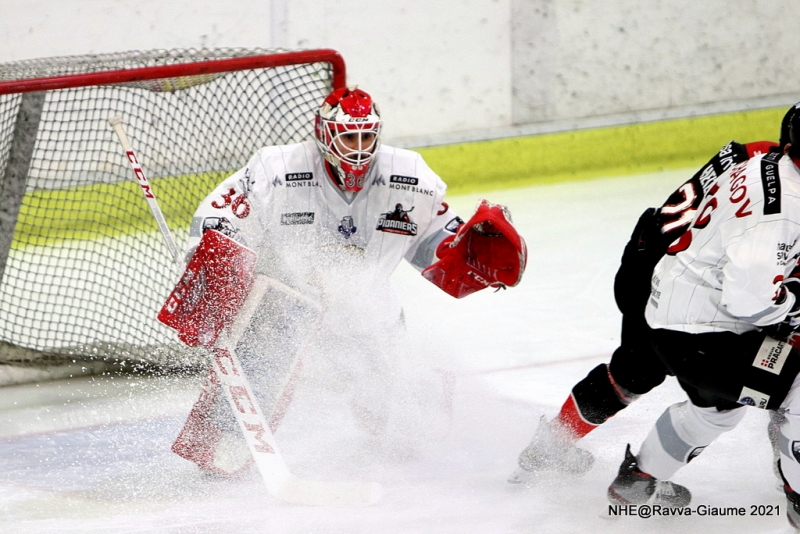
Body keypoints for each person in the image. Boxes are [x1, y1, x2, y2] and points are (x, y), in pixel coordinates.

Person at [167, 86, 528, 477]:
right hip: (288, 303)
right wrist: (216, 256)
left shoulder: (411, 178)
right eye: (349, 137)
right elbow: (224, 214)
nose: (359, 148)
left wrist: (469, 253)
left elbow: (436, 244)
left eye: (366, 136)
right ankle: (224, 444)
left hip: (368, 306)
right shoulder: (278, 169)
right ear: (324, 134)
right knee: (261, 362)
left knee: (397, 425)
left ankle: (388, 412)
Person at [509, 108, 795, 484]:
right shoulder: (780, 183)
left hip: (655, 254)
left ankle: (551, 447)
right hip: (669, 276)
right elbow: (757, 264)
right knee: (651, 373)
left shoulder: (755, 155)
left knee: (632, 373)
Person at [601, 102, 800, 530]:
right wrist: (793, 304)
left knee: (717, 411)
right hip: (706, 338)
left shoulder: (767, 163)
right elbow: (754, 302)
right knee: (796, 388)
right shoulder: (781, 213)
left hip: (680, 322)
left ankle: (637, 481)